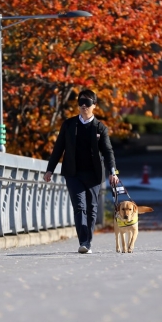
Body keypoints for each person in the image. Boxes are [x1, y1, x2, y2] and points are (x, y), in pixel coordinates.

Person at [44, 89, 119, 254]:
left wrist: (113, 172)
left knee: (92, 208)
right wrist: (50, 169)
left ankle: (88, 241)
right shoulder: (69, 125)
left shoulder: (100, 128)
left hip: (93, 174)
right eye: (81, 103)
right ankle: (84, 241)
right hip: (73, 173)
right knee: (79, 207)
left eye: (88, 103)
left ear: (94, 106)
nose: (84, 106)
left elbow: (108, 152)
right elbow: (58, 149)